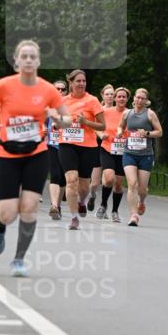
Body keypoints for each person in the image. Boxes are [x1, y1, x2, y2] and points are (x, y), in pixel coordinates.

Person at [0, 40, 69, 276]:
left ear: (38, 61)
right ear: (17, 61)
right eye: (24, 56)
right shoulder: (4, 85)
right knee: (8, 212)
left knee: (30, 207)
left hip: (36, 153)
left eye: (33, 56)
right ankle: (0, 226)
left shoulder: (48, 90)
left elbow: (67, 119)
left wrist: (57, 117)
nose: (29, 60)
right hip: (7, 153)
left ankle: (19, 259)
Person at [58, 70, 105, 230]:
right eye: (78, 81)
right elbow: (57, 124)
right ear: (71, 83)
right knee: (71, 181)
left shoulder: (92, 101)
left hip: (88, 147)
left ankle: (82, 201)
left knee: (84, 186)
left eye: (83, 81)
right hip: (67, 144)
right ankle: (73, 217)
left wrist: (86, 122)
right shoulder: (63, 101)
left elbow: (102, 125)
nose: (81, 84)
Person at [117, 87, 162, 227]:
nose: (139, 100)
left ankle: (141, 201)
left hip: (145, 155)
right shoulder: (126, 113)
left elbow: (159, 132)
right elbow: (121, 126)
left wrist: (147, 134)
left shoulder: (150, 114)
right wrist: (119, 132)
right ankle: (133, 215)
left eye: (142, 98)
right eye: (137, 97)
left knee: (142, 189)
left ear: (146, 101)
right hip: (129, 153)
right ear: (134, 98)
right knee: (132, 184)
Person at [97, 85, 128, 222]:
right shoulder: (106, 112)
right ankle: (103, 204)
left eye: (124, 96)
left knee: (118, 184)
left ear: (127, 99)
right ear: (115, 98)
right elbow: (95, 126)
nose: (121, 98)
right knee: (109, 178)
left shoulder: (130, 114)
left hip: (123, 151)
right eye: (119, 96)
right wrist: (101, 134)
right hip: (107, 148)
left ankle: (115, 211)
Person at [87, 84, 115, 212]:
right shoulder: (99, 111)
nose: (110, 96)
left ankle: (104, 204)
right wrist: (100, 134)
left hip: (112, 148)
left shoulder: (118, 111)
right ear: (102, 96)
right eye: (107, 94)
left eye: (112, 94)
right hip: (97, 146)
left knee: (108, 179)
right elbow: (92, 127)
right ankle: (92, 195)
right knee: (94, 183)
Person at [47, 79, 67, 220]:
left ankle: (58, 205)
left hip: (67, 145)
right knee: (54, 174)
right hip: (51, 144)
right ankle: (54, 205)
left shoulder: (70, 105)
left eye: (62, 89)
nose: (59, 91)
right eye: (57, 89)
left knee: (63, 178)